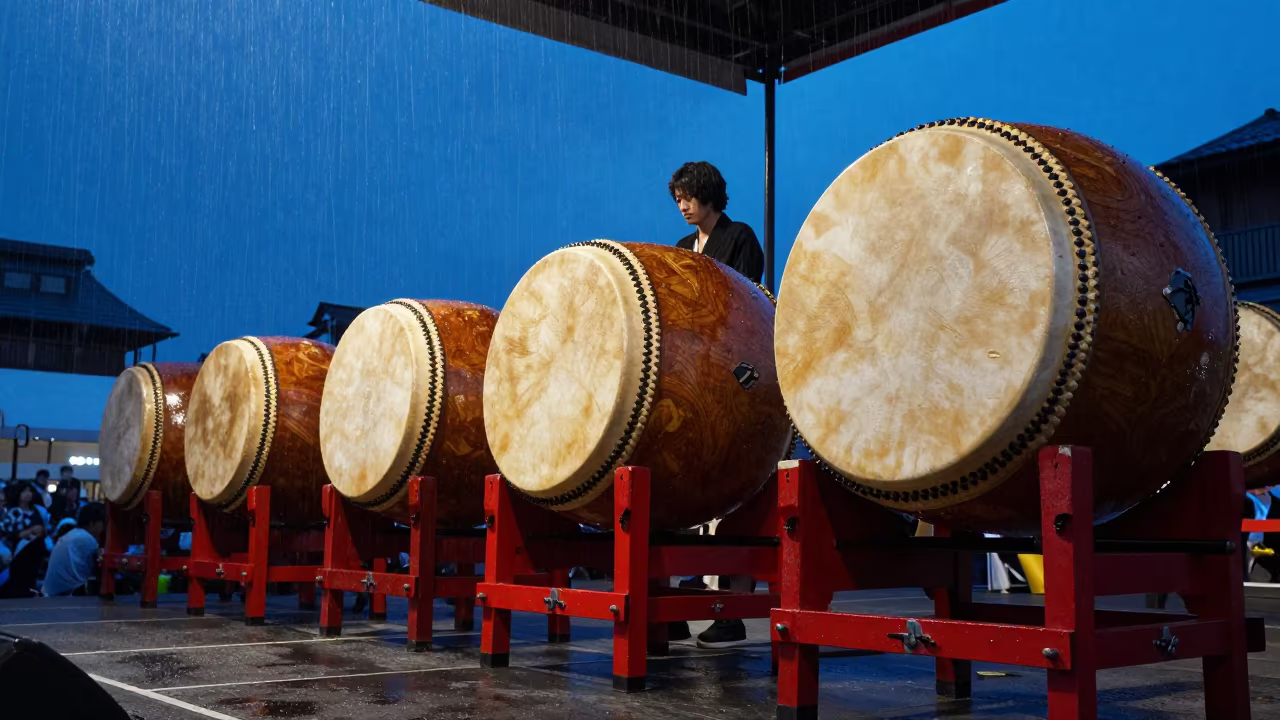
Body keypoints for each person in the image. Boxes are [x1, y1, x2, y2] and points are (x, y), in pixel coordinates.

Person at [667, 161, 765, 649]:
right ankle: (679, 606)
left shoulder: (740, 237)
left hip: (734, 370)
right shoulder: (683, 250)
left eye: (688, 196)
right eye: (678, 198)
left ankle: (731, 610)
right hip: (697, 370)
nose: (682, 205)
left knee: (733, 493)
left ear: (708, 195)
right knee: (684, 491)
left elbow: (745, 304)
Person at [43, 503, 107, 596]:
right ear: (92, 523)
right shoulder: (86, 539)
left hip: (54, 593)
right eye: (103, 523)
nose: (104, 528)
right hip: (64, 596)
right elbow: (101, 567)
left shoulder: (75, 534)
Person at [0, 481, 48, 598]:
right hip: (16, 548)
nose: (28, 494)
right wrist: (25, 532)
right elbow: (6, 532)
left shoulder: (38, 511)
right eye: (24, 491)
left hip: (35, 547)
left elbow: (45, 529)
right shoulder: (12, 511)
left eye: (29, 491)